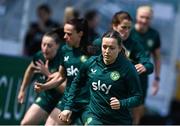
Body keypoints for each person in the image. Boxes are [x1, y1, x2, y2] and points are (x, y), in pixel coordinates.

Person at [59, 30, 143, 125]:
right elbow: (76, 83)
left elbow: (138, 97)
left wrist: (121, 103)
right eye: (104, 47)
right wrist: (67, 107)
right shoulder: (92, 63)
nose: (107, 51)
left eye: (112, 48)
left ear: (119, 49)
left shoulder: (128, 68)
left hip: (119, 120)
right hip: (95, 116)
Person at [34, 18, 92, 125]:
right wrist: (44, 86)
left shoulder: (91, 52)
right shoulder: (64, 50)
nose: (65, 37)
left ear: (80, 34)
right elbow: (61, 77)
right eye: (65, 33)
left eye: (69, 34)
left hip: (87, 104)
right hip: (68, 101)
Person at [18, 28, 65, 125]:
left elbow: (64, 88)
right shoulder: (40, 56)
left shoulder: (63, 58)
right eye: (43, 44)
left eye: (49, 45)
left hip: (63, 100)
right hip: (48, 97)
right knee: (25, 123)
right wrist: (22, 90)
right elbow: (30, 69)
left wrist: (47, 74)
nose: (45, 48)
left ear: (57, 46)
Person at [130, 5, 161, 124]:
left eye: (147, 18)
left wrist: (157, 79)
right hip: (123, 76)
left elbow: (157, 57)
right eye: (142, 17)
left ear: (151, 19)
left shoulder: (154, 34)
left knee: (138, 110)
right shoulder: (128, 31)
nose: (144, 20)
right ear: (136, 16)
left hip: (142, 79)